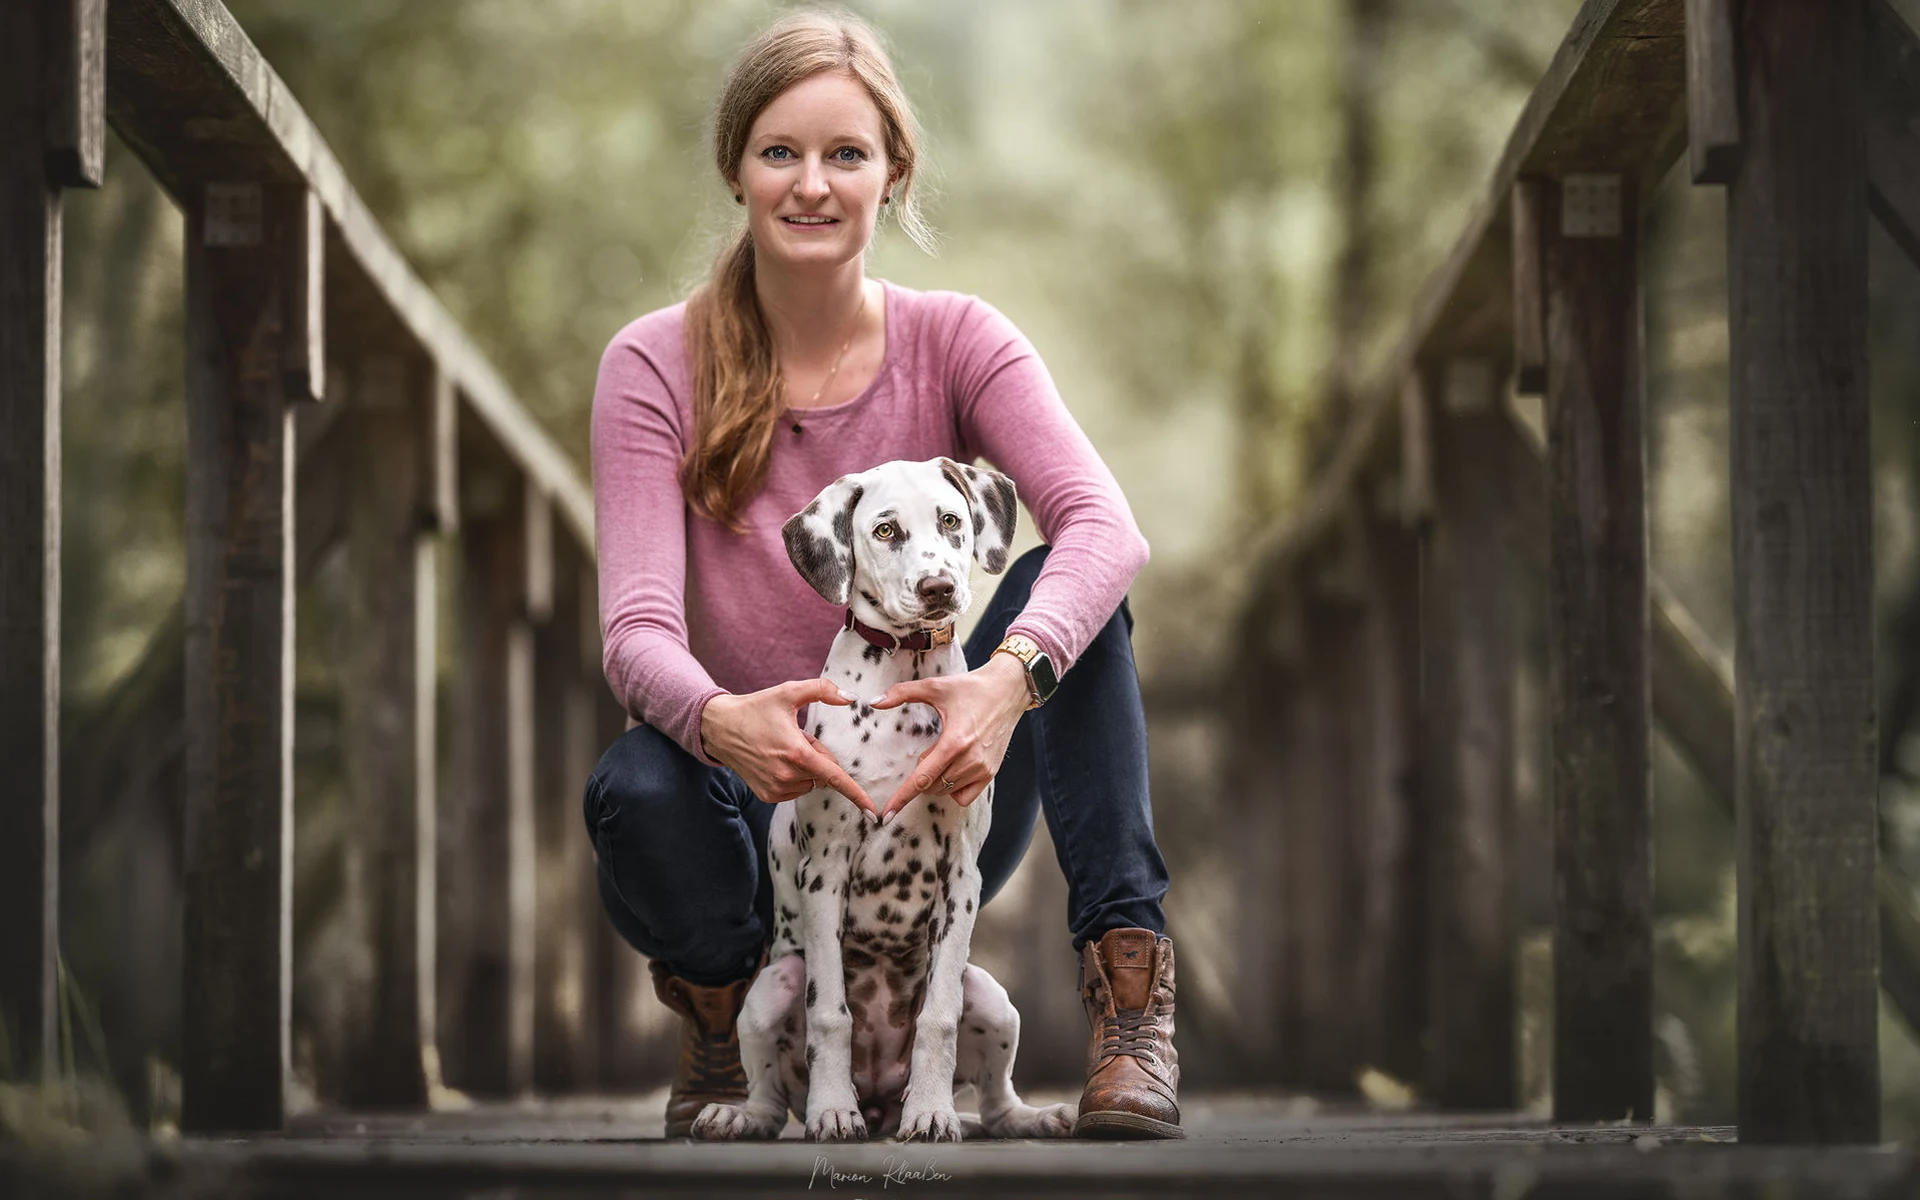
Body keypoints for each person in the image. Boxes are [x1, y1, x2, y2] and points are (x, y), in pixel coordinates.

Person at [584, 9, 1179, 1141]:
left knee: (1075, 601)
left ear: (893, 173)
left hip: (932, 788)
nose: (812, 184)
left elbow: (1106, 527)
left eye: (846, 153)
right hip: (750, 816)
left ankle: (1131, 1003)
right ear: (736, 170)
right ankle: (722, 1011)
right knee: (635, 787)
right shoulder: (653, 363)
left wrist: (1004, 686)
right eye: (781, 152)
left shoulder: (959, 339)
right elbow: (636, 631)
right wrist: (722, 721)